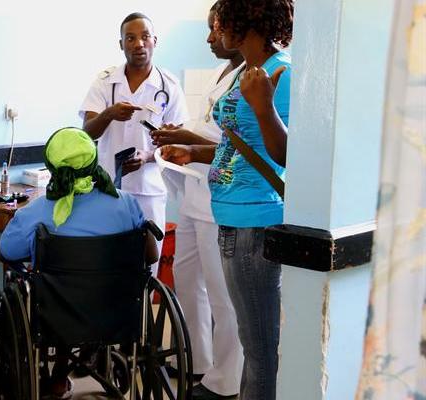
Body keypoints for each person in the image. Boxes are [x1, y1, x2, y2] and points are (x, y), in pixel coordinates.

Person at [159, 1, 294, 399]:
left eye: (218, 24)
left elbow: (288, 155)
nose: (212, 34)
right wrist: (193, 152)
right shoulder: (246, 72)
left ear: (242, 20)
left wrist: (264, 107)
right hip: (231, 217)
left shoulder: (280, 72)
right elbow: (237, 145)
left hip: (255, 221)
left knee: (259, 350)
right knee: (253, 344)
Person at [0, 127, 157, 399]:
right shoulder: (126, 203)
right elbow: (151, 256)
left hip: (58, 314)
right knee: (90, 288)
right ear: (94, 161)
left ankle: (59, 377)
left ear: (52, 167)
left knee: (54, 288)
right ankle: (91, 352)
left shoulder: (38, 212)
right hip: (119, 309)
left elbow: (7, 251)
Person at [149, 3, 244, 399]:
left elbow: (235, 145)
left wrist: (186, 141)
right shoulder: (225, 73)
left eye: (215, 30)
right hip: (194, 193)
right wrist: (181, 133)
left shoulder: (253, 75)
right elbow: (210, 127)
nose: (209, 38)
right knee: (188, 279)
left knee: (222, 295)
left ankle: (227, 379)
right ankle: (199, 360)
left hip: (219, 199)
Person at [79, 12, 189, 278]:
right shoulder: (105, 82)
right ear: (121, 44)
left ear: (155, 41)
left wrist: (148, 156)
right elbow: (87, 132)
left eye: (145, 37)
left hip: (149, 191)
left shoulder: (169, 86)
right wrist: (109, 113)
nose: (139, 43)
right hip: (107, 189)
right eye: (130, 38)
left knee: (146, 268)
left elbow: (180, 142)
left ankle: (142, 308)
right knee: (107, 266)